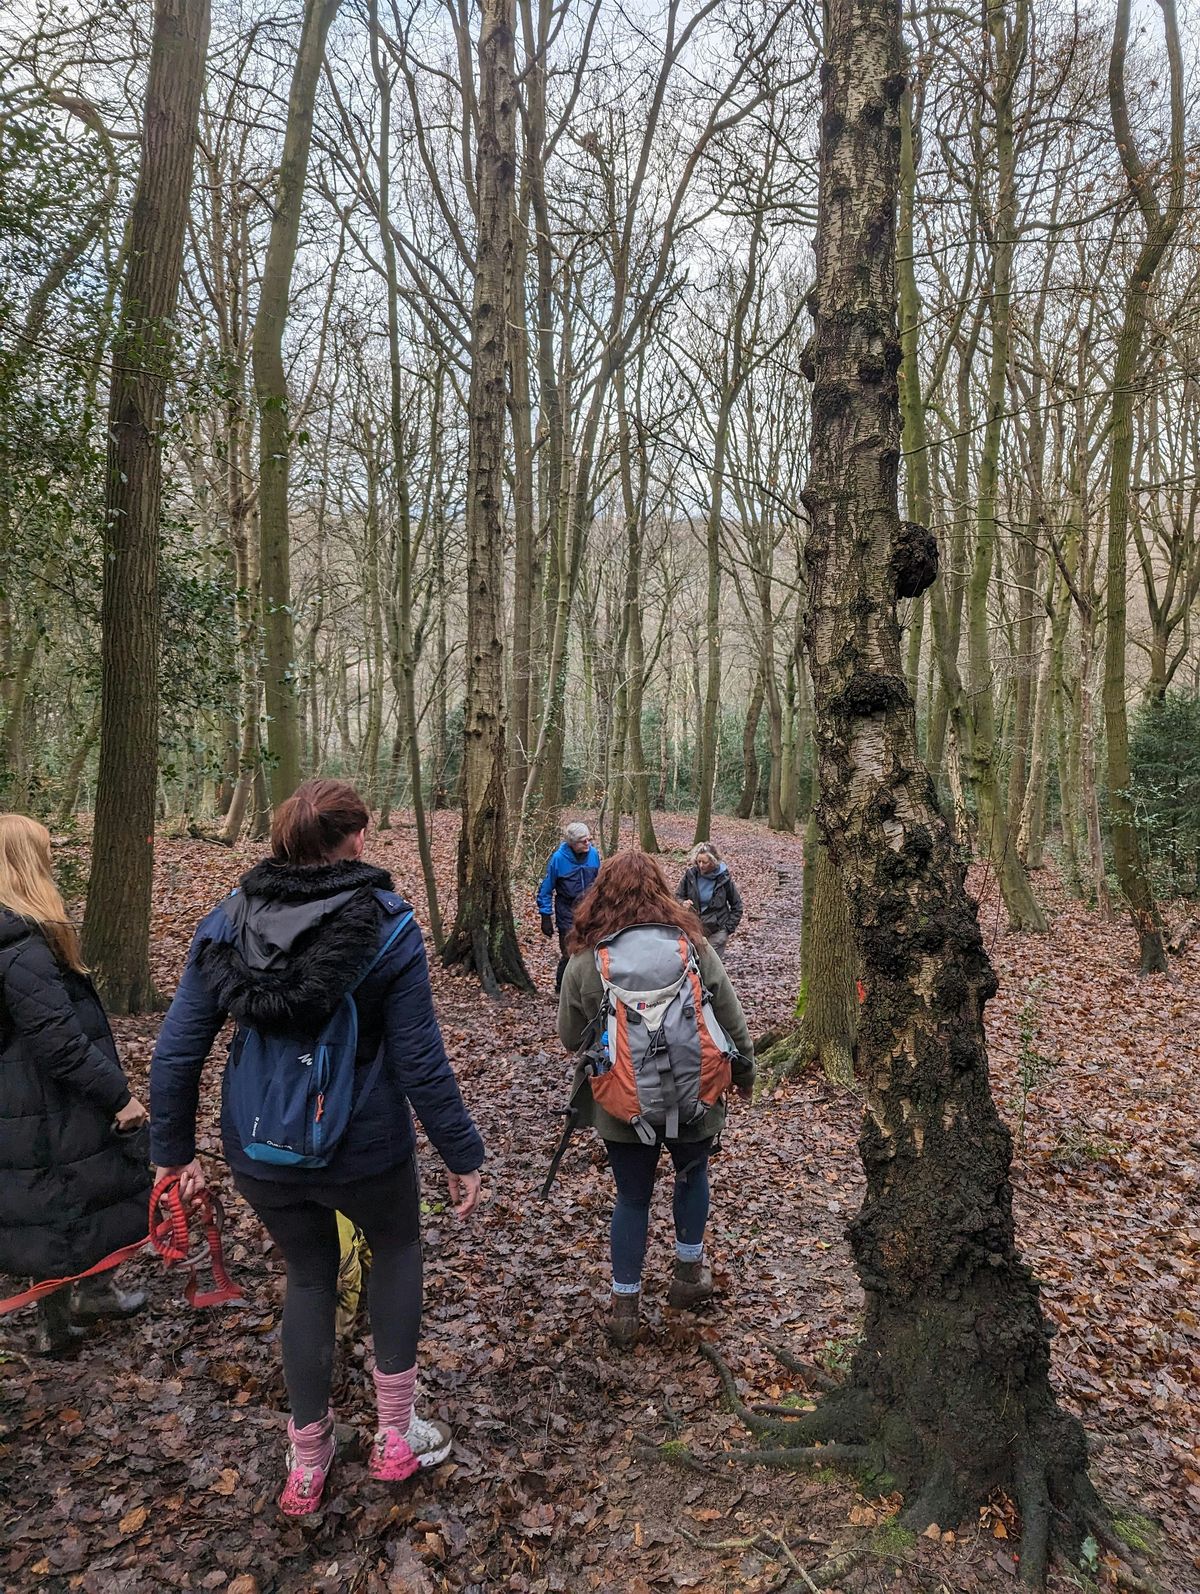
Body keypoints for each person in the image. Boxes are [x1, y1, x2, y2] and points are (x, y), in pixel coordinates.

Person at [149, 779, 485, 1517]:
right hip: (363, 1146)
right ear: (354, 839)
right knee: (396, 1247)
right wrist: (462, 1154)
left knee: (308, 1276)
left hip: (260, 1147)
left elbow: (178, 1049)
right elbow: (420, 1061)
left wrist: (171, 1151)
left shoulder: (227, 921)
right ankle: (395, 1433)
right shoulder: (387, 926)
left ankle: (308, 1460)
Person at [557, 851, 754, 1347]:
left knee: (632, 1197)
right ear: (662, 890)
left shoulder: (586, 959)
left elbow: (569, 1036)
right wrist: (745, 1075)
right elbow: (731, 1020)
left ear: (601, 893)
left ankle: (625, 1307)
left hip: (622, 1103)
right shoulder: (693, 947)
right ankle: (687, 1277)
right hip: (696, 1095)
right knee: (692, 1176)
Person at [0, 815, 149, 1357]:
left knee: (81, 1195)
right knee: (56, 1205)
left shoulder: (22, 940)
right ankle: (56, 1326)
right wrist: (120, 1097)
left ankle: (92, 1293)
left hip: (43, 1102)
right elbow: (61, 1044)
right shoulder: (21, 949)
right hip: (45, 1105)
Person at [537, 820, 601, 992]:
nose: (587, 843)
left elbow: (600, 884)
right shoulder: (559, 859)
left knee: (591, 952)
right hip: (567, 913)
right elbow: (546, 889)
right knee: (569, 953)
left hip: (590, 912)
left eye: (588, 839)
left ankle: (589, 988)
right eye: (583, 841)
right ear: (572, 843)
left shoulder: (593, 854)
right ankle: (561, 989)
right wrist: (545, 916)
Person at [676, 841, 744, 957]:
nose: (701, 865)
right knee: (694, 962)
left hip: (717, 930)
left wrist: (727, 929)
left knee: (711, 963)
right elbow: (677, 896)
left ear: (713, 861)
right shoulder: (690, 875)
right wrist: (683, 903)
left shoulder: (724, 879)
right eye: (699, 861)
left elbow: (737, 906)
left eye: (705, 862)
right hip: (694, 929)